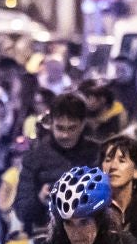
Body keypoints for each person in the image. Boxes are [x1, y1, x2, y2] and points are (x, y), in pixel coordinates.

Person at [12, 93, 101, 234]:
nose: (65, 135)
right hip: (47, 237)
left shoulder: (97, 154)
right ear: (51, 123)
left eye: (72, 128)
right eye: (60, 128)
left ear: (83, 124)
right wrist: (39, 200)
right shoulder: (35, 155)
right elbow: (22, 210)